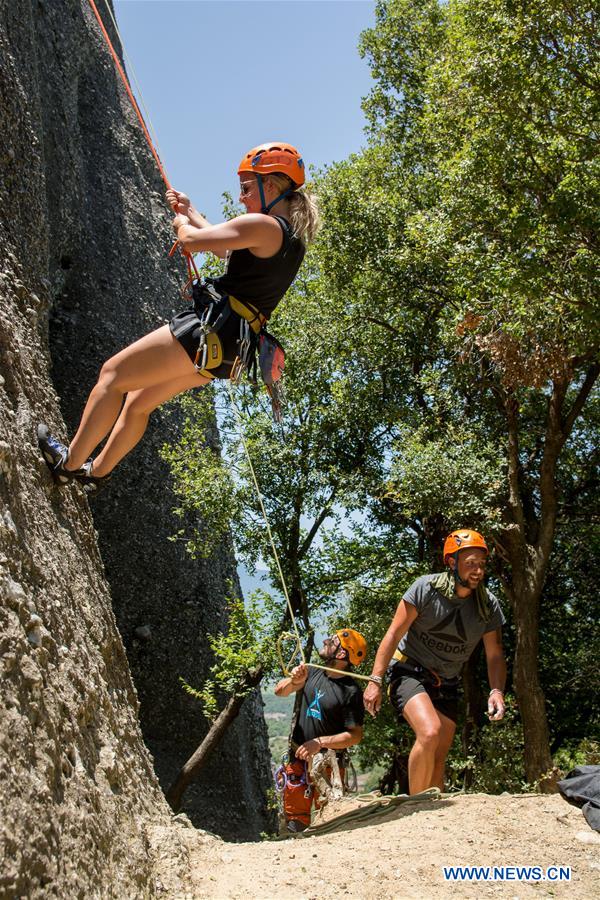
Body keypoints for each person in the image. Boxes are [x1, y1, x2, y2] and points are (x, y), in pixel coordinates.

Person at [38, 142, 319, 491]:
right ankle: (95, 474)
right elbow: (224, 246)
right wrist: (191, 209)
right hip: (230, 349)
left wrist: (180, 223)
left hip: (207, 330)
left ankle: (70, 464)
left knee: (112, 374)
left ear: (271, 187)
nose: (242, 198)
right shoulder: (290, 239)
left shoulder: (263, 224)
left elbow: (192, 242)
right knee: (139, 402)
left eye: (247, 188)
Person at [363, 529, 506, 795]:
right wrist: (375, 679)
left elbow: (495, 653)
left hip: (447, 681)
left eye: (481, 564)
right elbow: (394, 633)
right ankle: (414, 808)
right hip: (409, 671)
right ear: (452, 562)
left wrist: (496, 690)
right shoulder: (425, 588)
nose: (478, 571)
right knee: (429, 732)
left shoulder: (488, 605)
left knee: (439, 751)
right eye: (470, 564)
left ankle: (434, 814)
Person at [274, 629, 367, 832]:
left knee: (329, 822)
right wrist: (295, 681)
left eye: (332, 641)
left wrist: (319, 743)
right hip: (298, 761)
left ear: (342, 654)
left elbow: (355, 735)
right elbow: (279, 691)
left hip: (328, 765)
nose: (325, 641)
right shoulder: (312, 671)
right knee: (294, 823)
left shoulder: (351, 692)